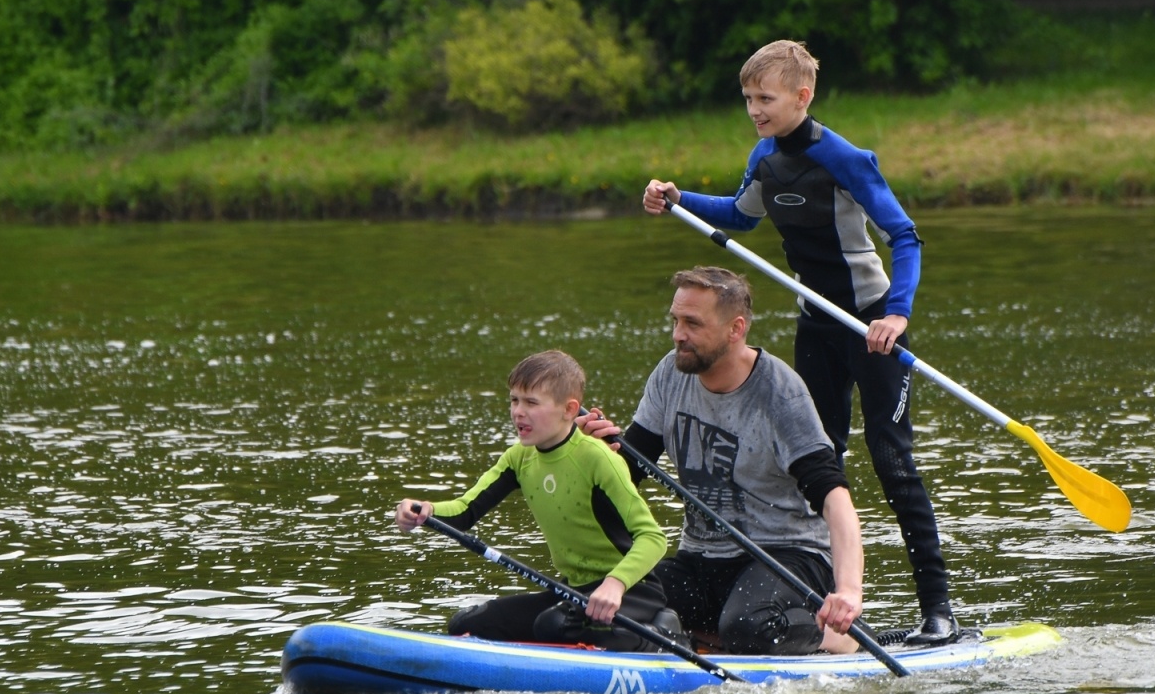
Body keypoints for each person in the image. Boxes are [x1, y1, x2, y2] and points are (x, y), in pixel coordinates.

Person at [641, 39, 958, 645]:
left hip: (870, 327)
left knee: (894, 466)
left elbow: (905, 237)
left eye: (766, 98)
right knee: (818, 465)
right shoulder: (766, 158)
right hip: (818, 324)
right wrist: (681, 198)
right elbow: (739, 215)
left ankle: (937, 613)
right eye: (748, 99)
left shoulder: (846, 159)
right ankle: (816, 609)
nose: (755, 110)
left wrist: (896, 315)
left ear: (802, 97)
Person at [580, 267, 864, 655]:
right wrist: (591, 450)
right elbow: (626, 474)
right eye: (675, 321)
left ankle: (833, 636)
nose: (679, 335)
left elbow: (836, 500)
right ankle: (712, 636)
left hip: (787, 557)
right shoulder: (670, 372)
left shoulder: (780, 395)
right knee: (601, 610)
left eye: (692, 324)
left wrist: (848, 590)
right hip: (701, 558)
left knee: (749, 629)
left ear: (736, 329)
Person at [395, 350, 670, 651]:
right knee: (466, 623)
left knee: (552, 625)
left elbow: (653, 538)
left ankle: (661, 633)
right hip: (574, 589)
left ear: (569, 410)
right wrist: (425, 511)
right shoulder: (519, 458)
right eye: (514, 400)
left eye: (531, 403)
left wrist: (615, 584)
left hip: (632, 590)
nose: (518, 412)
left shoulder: (597, 458)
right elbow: (465, 510)